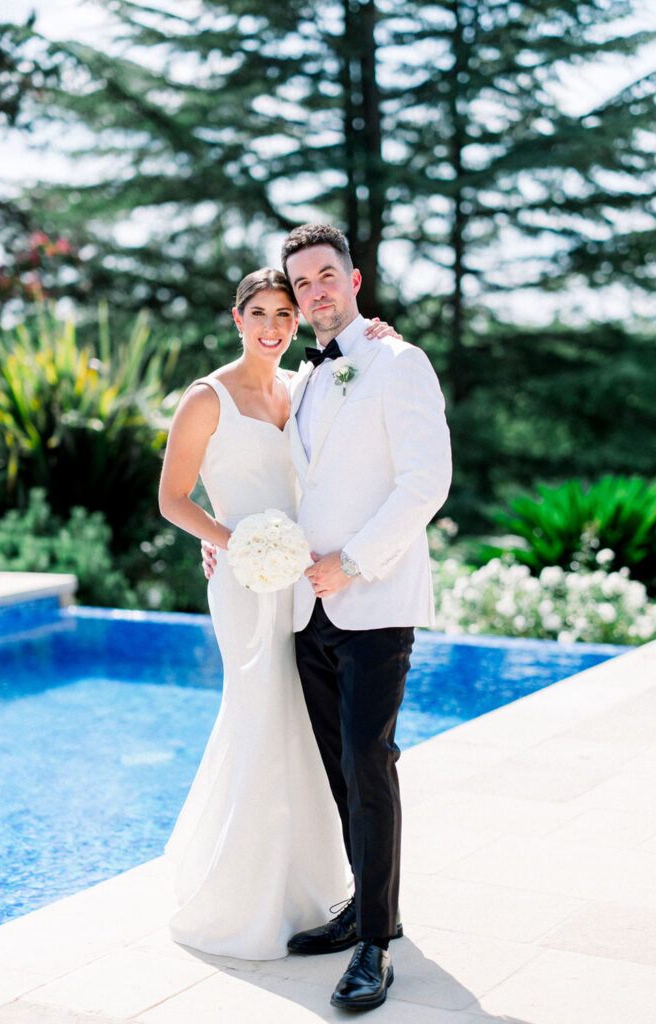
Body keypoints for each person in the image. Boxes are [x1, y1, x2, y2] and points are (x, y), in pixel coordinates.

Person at [204, 224, 452, 1011]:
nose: (313, 292)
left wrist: (354, 562)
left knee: (368, 763)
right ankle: (365, 908)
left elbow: (425, 483)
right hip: (306, 606)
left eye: (325, 276)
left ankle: (375, 945)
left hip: (373, 599)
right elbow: (289, 483)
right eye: (300, 282)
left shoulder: (398, 361)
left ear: (353, 277)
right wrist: (240, 544)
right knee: (339, 767)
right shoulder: (307, 377)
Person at [158, 267, 399, 960]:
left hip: (301, 582)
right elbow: (174, 500)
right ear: (236, 318)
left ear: (296, 324)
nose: (271, 326)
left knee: (298, 727)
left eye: (283, 315)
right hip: (245, 579)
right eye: (258, 312)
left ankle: (310, 886)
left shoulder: (300, 387)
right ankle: (244, 895)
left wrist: (377, 336)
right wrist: (234, 544)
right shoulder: (207, 398)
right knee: (258, 715)